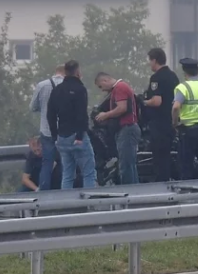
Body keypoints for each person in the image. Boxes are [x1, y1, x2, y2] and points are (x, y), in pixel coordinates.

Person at [47, 60, 97, 189]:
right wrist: (80, 136)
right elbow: (82, 114)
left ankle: (66, 204)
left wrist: (54, 136)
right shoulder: (80, 89)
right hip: (77, 136)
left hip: (62, 137)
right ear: (78, 72)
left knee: (68, 174)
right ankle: (90, 204)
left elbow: (50, 115)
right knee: (89, 173)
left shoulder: (57, 90)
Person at [94, 73, 141, 185]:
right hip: (125, 129)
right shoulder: (118, 88)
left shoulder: (120, 87)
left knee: (126, 164)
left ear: (105, 80)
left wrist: (106, 115)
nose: (102, 90)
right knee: (129, 163)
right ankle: (135, 189)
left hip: (127, 128)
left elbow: (122, 108)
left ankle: (129, 190)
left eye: (101, 86)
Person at [143, 48, 179, 182]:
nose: (149, 64)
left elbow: (157, 101)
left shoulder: (156, 77)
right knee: (168, 156)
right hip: (171, 121)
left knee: (159, 158)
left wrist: (144, 102)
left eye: (149, 60)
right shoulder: (173, 76)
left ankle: (161, 185)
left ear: (154, 60)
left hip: (159, 123)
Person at [30, 64, 65, 191]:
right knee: (65, 162)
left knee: (47, 163)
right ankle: (64, 190)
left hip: (46, 130)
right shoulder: (69, 85)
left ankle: (44, 192)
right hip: (63, 130)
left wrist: (44, 109)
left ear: (55, 72)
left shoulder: (42, 85)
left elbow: (32, 107)